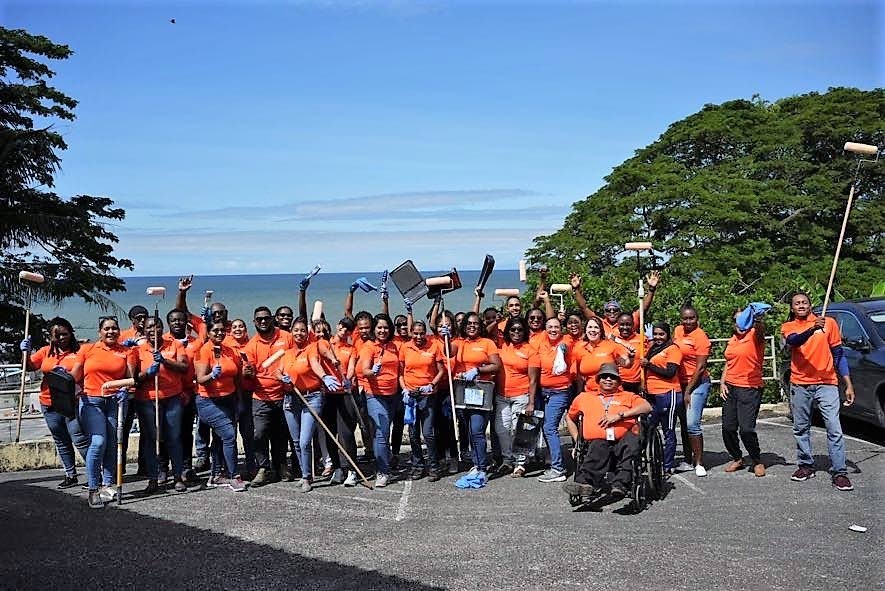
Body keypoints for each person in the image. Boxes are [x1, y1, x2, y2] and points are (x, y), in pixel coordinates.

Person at [781, 292, 855, 491]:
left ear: (810, 304)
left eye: (804, 302)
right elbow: (795, 341)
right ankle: (805, 465)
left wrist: (847, 383)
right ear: (792, 308)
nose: (801, 305)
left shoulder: (828, 323)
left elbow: (839, 354)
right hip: (799, 384)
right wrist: (812, 329)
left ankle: (840, 472)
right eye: (797, 303)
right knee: (801, 427)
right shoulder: (789, 327)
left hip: (827, 382)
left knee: (834, 427)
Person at [72, 316, 138, 508]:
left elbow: (131, 379)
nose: (111, 332)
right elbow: (75, 377)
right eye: (107, 329)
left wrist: (126, 390)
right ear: (99, 332)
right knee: (98, 441)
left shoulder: (127, 351)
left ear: (119, 331)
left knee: (112, 444)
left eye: (114, 328)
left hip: (116, 402)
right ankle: (93, 489)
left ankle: (108, 485)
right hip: (92, 400)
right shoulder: (87, 350)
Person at [563, 363, 652, 498]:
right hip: (598, 441)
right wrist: (577, 440)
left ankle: (620, 484)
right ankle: (584, 483)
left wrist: (620, 415)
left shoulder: (628, 396)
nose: (608, 379)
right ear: (598, 380)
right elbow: (570, 418)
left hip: (623, 439)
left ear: (619, 381)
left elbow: (647, 407)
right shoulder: (584, 397)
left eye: (613, 377)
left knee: (632, 441)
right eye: (604, 377)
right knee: (598, 445)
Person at [20, 317, 89, 489]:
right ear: (51, 337)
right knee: (60, 439)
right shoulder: (45, 351)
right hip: (48, 402)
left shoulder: (80, 351)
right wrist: (25, 353)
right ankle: (70, 475)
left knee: (79, 438)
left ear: (71, 333)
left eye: (64, 334)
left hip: (72, 401)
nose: (61, 338)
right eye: (56, 335)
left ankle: (96, 474)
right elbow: (29, 367)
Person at [278, 317, 338, 492]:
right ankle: (306, 473)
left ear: (307, 333)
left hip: (312, 397)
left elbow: (315, 364)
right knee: (296, 442)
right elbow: (277, 371)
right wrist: (282, 378)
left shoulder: (311, 348)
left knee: (305, 441)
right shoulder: (286, 353)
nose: (299, 333)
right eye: (296, 330)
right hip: (291, 399)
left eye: (302, 330)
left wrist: (324, 377)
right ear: (291, 332)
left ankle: (306, 478)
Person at [133, 316, 189, 494]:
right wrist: (148, 374)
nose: (152, 330)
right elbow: (134, 378)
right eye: (149, 327)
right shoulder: (138, 350)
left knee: (174, 437)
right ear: (144, 330)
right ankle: (153, 477)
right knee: (152, 439)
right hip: (148, 400)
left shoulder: (175, 345)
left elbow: (184, 367)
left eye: (156, 326)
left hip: (172, 397)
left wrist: (165, 361)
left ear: (161, 328)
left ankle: (178, 477)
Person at [243, 306, 295, 485]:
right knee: (259, 434)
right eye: (259, 319)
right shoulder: (251, 345)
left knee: (281, 434)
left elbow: (297, 355)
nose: (263, 321)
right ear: (254, 322)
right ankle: (264, 467)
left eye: (266, 318)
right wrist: (247, 373)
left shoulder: (286, 337)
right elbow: (249, 373)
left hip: (284, 394)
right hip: (261, 397)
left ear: (273, 318)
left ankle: (281, 465)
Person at [194, 321, 248, 492]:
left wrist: (239, 400)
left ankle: (216, 475)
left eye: (221, 330)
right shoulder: (203, 351)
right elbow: (200, 379)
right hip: (208, 401)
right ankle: (234, 476)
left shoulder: (230, 350)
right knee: (229, 435)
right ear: (208, 333)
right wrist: (211, 375)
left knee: (219, 439)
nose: (219, 333)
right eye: (214, 330)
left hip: (229, 399)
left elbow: (237, 378)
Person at [453, 311, 502, 480]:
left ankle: (482, 466)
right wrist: (445, 333)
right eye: (469, 324)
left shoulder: (487, 343)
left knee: (477, 430)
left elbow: (496, 365)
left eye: (475, 323)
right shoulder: (460, 342)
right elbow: (447, 352)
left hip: (482, 390)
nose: (472, 326)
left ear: (480, 325)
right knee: (469, 430)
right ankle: (477, 462)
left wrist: (478, 370)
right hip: (463, 391)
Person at [355, 313, 401, 487]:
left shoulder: (394, 346)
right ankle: (383, 471)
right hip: (375, 395)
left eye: (386, 327)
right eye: (379, 327)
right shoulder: (369, 347)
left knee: (383, 433)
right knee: (382, 432)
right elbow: (365, 369)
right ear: (374, 329)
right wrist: (372, 371)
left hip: (394, 395)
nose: (382, 330)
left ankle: (381, 461)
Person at [721, 307, 767, 477]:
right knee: (727, 427)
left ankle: (756, 460)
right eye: (736, 320)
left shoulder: (755, 336)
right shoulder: (732, 339)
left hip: (749, 388)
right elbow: (730, 361)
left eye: (743, 320)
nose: (740, 324)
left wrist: (758, 319)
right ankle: (738, 458)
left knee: (746, 429)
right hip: (731, 388)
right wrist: (722, 382)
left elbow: (761, 329)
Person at [399, 320, 445, 481]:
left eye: (421, 333)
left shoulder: (433, 346)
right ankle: (418, 465)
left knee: (428, 433)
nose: (418, 336)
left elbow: (441, 370)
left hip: (427, 395)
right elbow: (401, 371)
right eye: (415, 333)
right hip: (410, 396)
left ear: (425, 332)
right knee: (413, 434)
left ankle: (434, 466)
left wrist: (431, 385)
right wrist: (404, 388)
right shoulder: (405, 347)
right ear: (411, 332)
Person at [494, 316, 539, 477]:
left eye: (520, 329)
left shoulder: (530, 350)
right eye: (513, 329)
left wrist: (531, 403)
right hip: (502, 396)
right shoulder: (502, 346)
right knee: (502, 429)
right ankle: (507, 460)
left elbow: (533, 379)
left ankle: (520, 463)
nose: (516, 332)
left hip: (521, 395)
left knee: (519, 431)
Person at [672, 305, 712, 477]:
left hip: (697, 383)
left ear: (697, 318)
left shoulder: (701, 337)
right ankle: (687, 459)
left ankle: (699, 462)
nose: (688, 322)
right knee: (683, 422)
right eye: (685, 318)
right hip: (679, 382)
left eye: (692, 318)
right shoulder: (678, 331)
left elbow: (700, 367)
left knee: (692, 424)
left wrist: (688, 390)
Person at [640, 322, 683, 475]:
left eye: (661, 334)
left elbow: (670, 372)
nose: (658, 337)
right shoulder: (654, 348)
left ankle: (668, 464)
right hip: (652, 395)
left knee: (668, 430)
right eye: (656, 334)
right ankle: (650, 458)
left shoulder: (673, 349)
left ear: (667, 334)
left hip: (668, 394)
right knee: (648, 428)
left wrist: (649, 365)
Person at [534, 316, 574, 483]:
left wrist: (562, 351)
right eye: (549, 327)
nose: (553, 330)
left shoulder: (566, 341)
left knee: (550, 427)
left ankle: (558, 468)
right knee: (545, 427)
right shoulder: (542, 342)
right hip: (544, 392)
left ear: (561, 328)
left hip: (560, 392)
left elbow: (566, 347)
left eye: (556, 327)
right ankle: (553, 460)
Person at [322, 318, 360, 486]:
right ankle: (337, 468)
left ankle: (351, 470)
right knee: (330, 433)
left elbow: (351, 367)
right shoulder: (326, 343)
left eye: (348, 330)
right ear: (337, 326)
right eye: (342, 327)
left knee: (346, 434)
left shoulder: (351, 349)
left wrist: (349, 378)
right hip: (327, 394)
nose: (344, 331)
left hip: (344, 393)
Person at [570, 272, 661, 338]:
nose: (612, 312)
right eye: (608, 310)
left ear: (620, 312)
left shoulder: (627, 322)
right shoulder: (600, 323)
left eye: (615, 310)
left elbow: (643, 309)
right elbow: (584, 307)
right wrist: (577, 289)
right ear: (604, 313)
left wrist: (651, 289)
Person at [223, 318, 256, 478]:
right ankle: (231, 468)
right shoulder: (226, 346)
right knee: (230, 433)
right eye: (235, 327)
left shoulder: (251, 344)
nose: (238, 329)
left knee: (248, 432)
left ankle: (251, 465)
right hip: (232, 395)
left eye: (241, 326)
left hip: (249, 394)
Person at [571, 316, 631, 394]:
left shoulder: (611, 346)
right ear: (585, 330)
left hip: (612, 392)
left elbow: (626, 364)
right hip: (590, 393)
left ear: (601, 331)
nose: (593, 330)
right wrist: (579, 394)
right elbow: (579, 376)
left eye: (596, 327)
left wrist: (631, 356)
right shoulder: (579, 348)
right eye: (590, 327)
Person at [611, 313, 644, 394]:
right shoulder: (611, 340)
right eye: (622, 324)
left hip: (638, 383)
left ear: (633, 325)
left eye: (628, 324)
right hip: (618, 383)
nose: (625, 327)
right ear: (617, 325)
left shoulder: (642, 339)